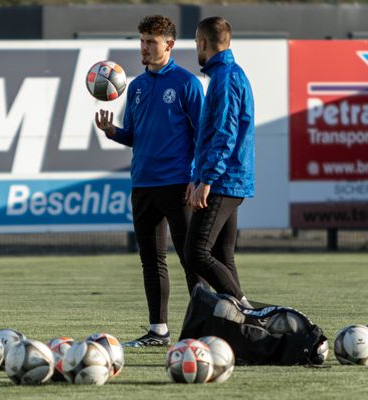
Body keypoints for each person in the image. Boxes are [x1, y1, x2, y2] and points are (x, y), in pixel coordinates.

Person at [95, 15, 205, 347]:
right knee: (151, 259)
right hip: (143, 184)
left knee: (192, 258)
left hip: (177, 184)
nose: (144, 47)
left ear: (169, 45)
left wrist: (197, 177)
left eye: (150, 42)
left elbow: (203, 135)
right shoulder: (138, 86)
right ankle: (158, 330)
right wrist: (113, 133)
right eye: (141, 41)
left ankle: (205, 329)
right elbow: (136, 136)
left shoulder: (187, 83)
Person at [185, 16, 255, 307]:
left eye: (196, 44)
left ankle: (246, 309)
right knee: (223, 256)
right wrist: (196, 175)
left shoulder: (225, 78)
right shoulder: (227, 74)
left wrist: (207, 180)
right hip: (227, 178)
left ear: (202, 43)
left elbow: (224, 134)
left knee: (196, 253)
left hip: (223, 180)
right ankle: (242, 330)